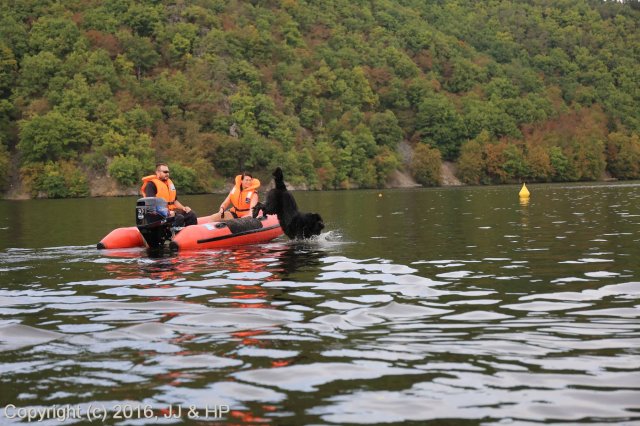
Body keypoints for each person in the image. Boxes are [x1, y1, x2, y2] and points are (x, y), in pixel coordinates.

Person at [140, 163, 197, 227]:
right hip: (157, 215)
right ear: (158, 172)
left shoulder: (169, 184)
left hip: (171, 212)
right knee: (179, 217)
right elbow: (151, 204)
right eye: (165, 172)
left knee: (191, 214)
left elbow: (174, 201)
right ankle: (173, 235)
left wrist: (183, 208)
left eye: (168, 172)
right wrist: (167, 212)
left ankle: (189, 234)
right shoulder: (151, 184)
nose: (167, 174)